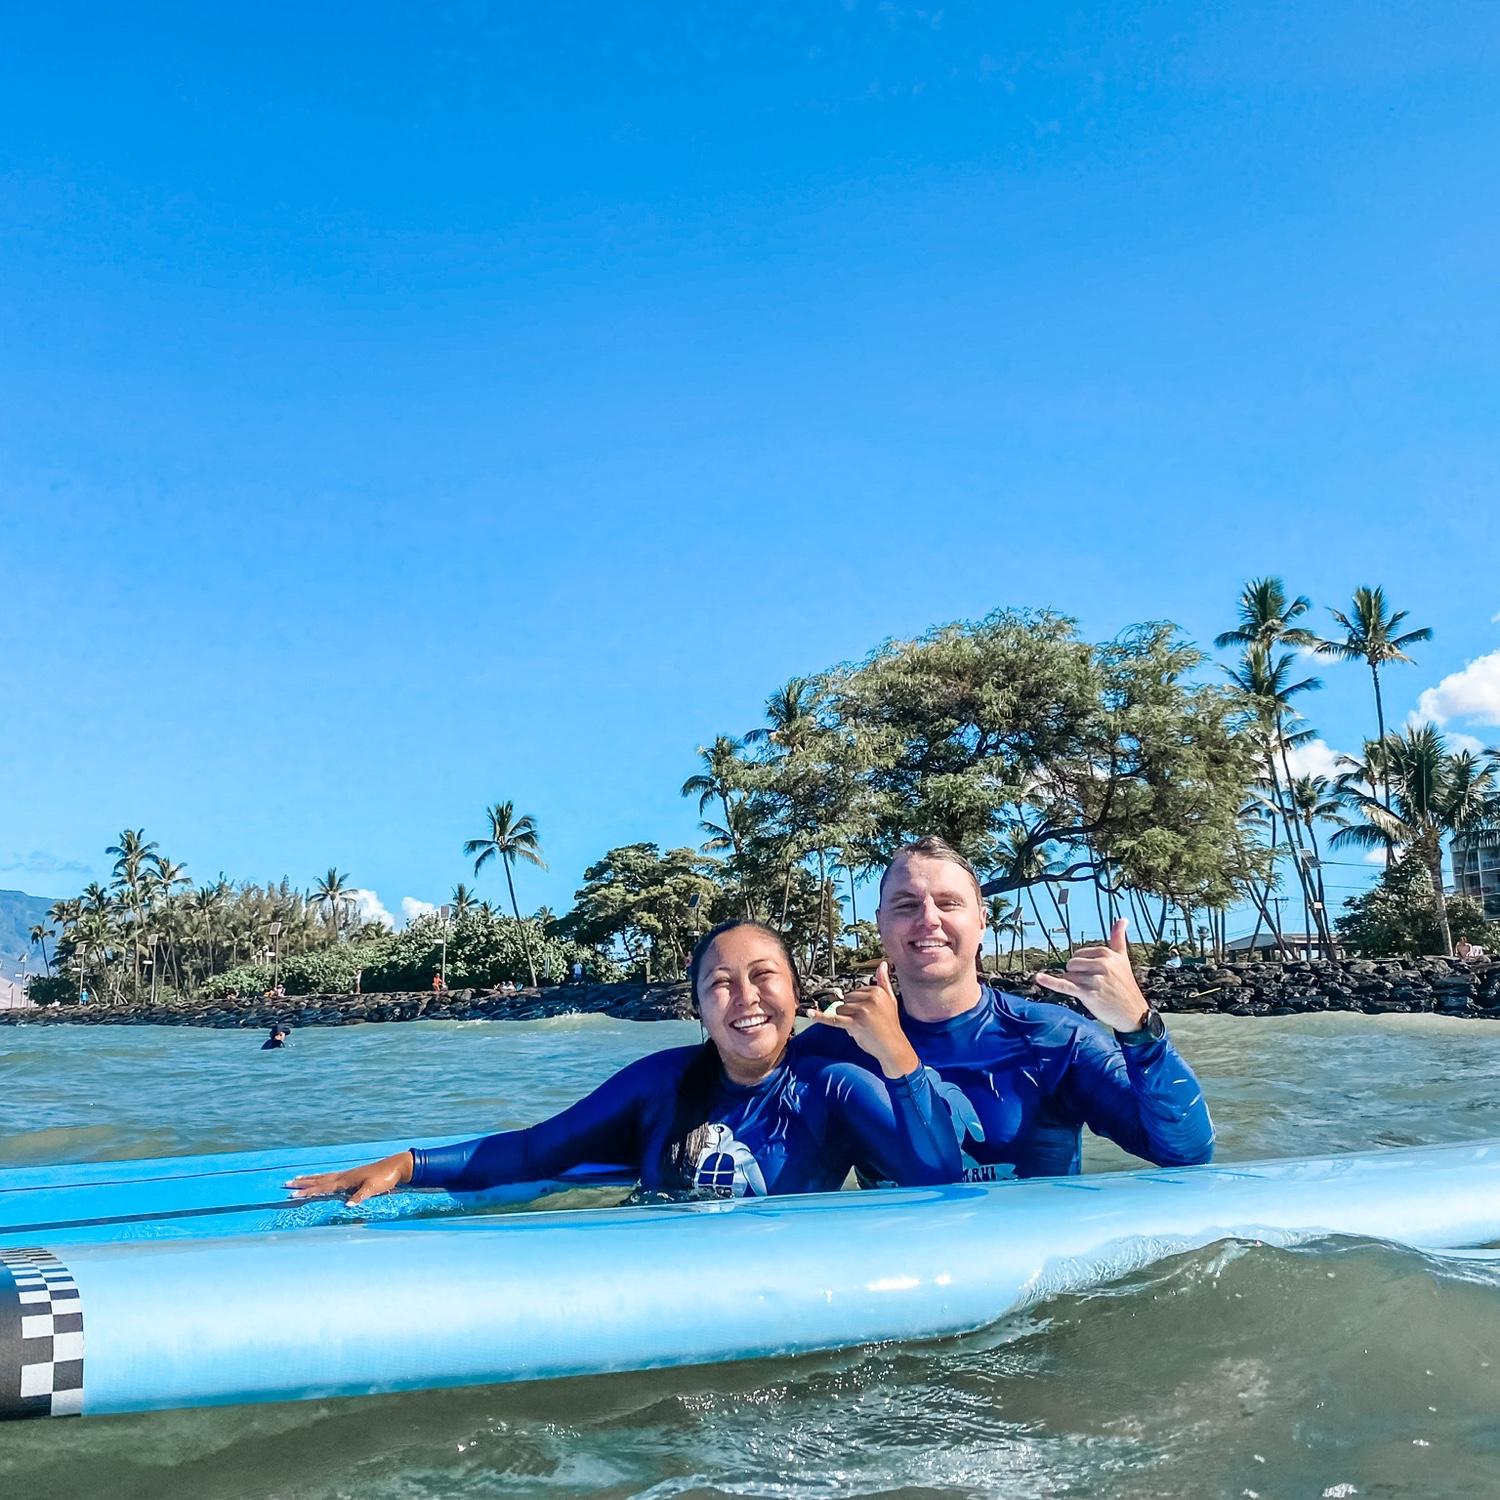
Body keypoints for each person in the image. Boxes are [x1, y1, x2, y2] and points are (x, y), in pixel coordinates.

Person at [287, 919, 960, 1204]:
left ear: (794, 993)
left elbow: (938, 1180)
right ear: (697, 1007)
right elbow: (535, 1151)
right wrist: (409, 1165)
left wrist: (897, 1055)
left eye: (763, 977)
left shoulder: (831, 1089)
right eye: (720, 984)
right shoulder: (659, 1084)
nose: (745, 998)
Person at [799, 836, 1214, 1181]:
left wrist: (1139, 1028)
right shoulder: (834, 1047)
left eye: (949, 903)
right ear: (880, 925)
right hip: (906, 1271)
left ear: (982, 921)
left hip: (1044, 1273)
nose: (928, 919)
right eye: (906, 905)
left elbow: (1188, 1155)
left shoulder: (1055, 1040)